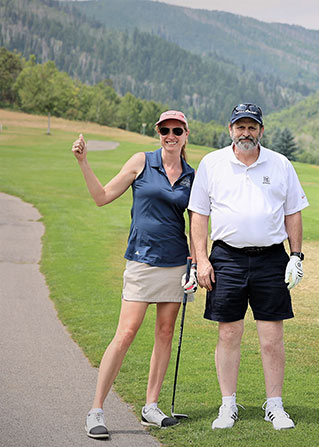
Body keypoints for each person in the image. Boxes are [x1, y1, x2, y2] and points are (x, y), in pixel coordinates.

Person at [73, 110, 197, 439]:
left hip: (176, 263)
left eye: (177, 130)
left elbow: (198, 223)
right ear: (159, 133)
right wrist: (84, 162)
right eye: (165, 130)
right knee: (126, 333)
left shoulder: (191, 176)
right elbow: (101, 197)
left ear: (186, 134)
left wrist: (196, 264)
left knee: (165, 333)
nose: (170, 135)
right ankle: (96, 410)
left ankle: (151, 406)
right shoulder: (141, 161)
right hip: (142, 261)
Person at [188, 103, 308, 431]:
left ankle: (275, 405)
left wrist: (296, 255)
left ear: (261, 131)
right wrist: (201, 260)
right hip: (226, 258)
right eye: (240, 127)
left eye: (252, 127)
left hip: (271, 258)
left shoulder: (280, 164)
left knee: (271, 337)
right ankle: (228, 404)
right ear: (230, 130)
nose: (246, 133)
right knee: (229, 333)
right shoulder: (212, 163)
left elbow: (293, 212)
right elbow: (198, 215)